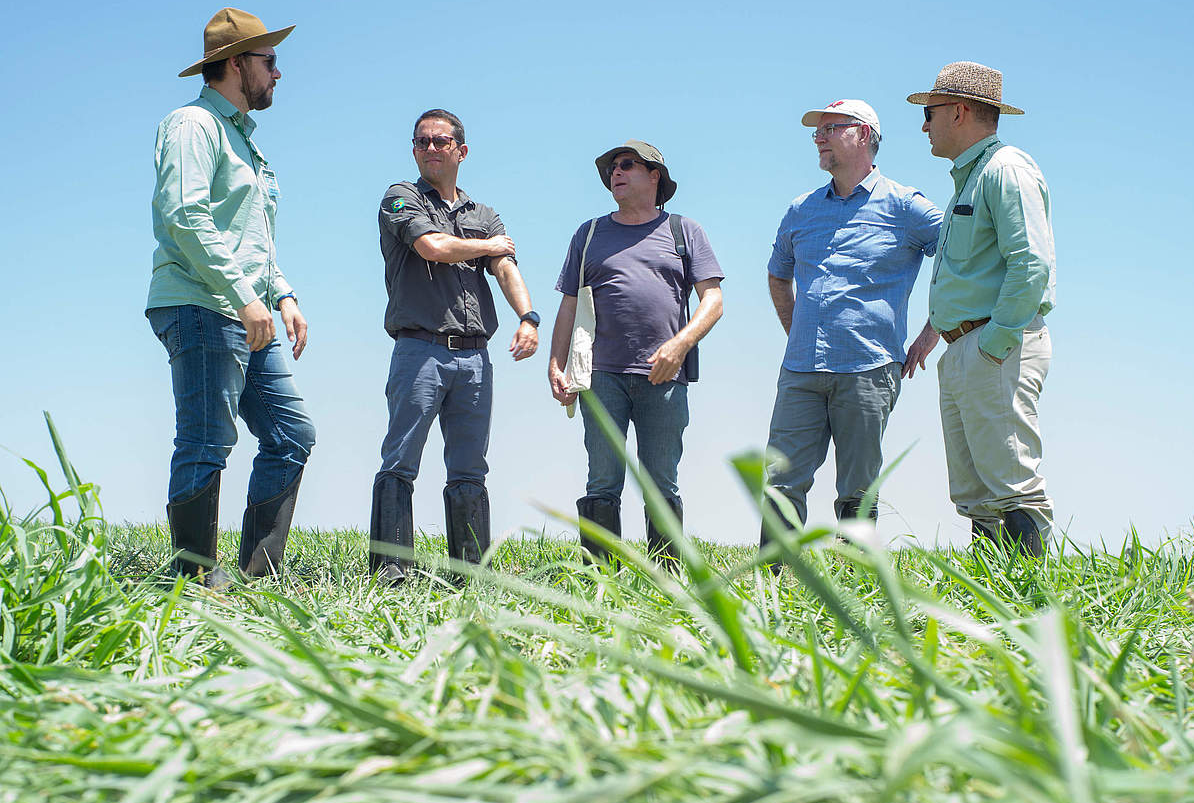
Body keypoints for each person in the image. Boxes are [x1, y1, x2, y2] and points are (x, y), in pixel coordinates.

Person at [147, 7, 315, 585]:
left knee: (292, 434)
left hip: (248, 307)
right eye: (270, 62)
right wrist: (246, 297)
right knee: (206, 438)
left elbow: (250, 236)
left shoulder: (244, 141)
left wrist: (282, 293)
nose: (278, 73)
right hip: (201, 304)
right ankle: (193, 581)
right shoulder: (192, 125)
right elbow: (186, 217)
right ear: (237, 64)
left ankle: (253, 578)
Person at [371, 109, 539, 580]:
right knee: (401, 457)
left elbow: (507, 268)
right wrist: (489, 247)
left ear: (461, 151)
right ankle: (391, 571)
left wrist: (527, 317)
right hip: (419, 350)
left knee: (470, 466)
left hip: (474, 357)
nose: (429, 149)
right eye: (421, 142)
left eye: (440, 142)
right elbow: (433, 248)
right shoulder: (401, 198)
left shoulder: (482, 214)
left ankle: (469, 573)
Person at [762, 100, 942, 540]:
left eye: (829, 129)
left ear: (862, 134)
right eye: (816, 132)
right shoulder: (801, 209)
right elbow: (777, 275)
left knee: (857, 490)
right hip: (801, 369)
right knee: (781, 483)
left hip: (869, 368)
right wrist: (795, 333)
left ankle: (853, 583)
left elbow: (961, 261)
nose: (819, 139)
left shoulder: (906, 207)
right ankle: (773, 586)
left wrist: (931, 333)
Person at [903, 62, 1056, 556]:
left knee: (1011, 482)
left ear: (960, 111)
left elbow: (1031, 263)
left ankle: (1030, 611)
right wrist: (940, 334)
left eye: (930, 113)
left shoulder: (1004, 169)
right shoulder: (970, 180)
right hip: (966, 347)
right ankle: (989, 608)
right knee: (977, 494)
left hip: (995, 344)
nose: (924, 125)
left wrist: (994, 345)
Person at [548, 140, 724, 564]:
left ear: (654, 176)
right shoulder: (588, 234)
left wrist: (680, 346)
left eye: (627, 165)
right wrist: (556, 364)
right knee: (602, 481)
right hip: (600, 375)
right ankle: (597, 579)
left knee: (661, 482)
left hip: (664, 376)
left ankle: (666, 579)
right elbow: (569, 304)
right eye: (612, 168)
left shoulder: (685, 231)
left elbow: (713, 301)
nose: (616, 172)